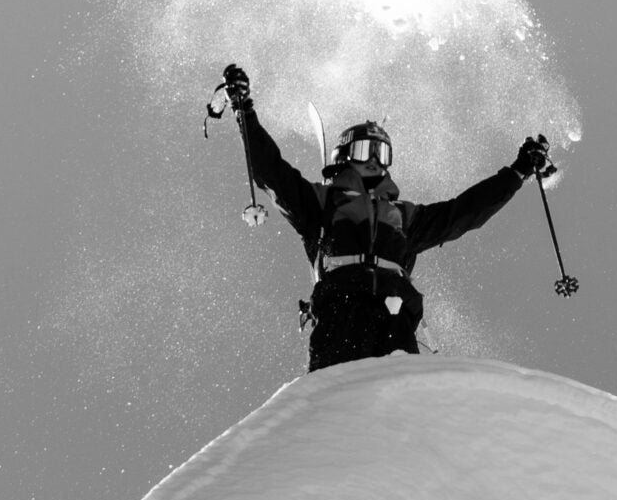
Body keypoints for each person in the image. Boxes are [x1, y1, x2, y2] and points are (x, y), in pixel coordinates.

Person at [221, 63, 551, 371]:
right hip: (342, 307)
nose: (376, 161)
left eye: (383, 153)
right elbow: (272, 173)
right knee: (340, 390)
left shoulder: (404, 217)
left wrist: (517, 172)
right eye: (366, 151)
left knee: (400, 396)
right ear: (344, 157)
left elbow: (464, 212)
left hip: (395, 312)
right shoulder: (322, 204)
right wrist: (244, 111)